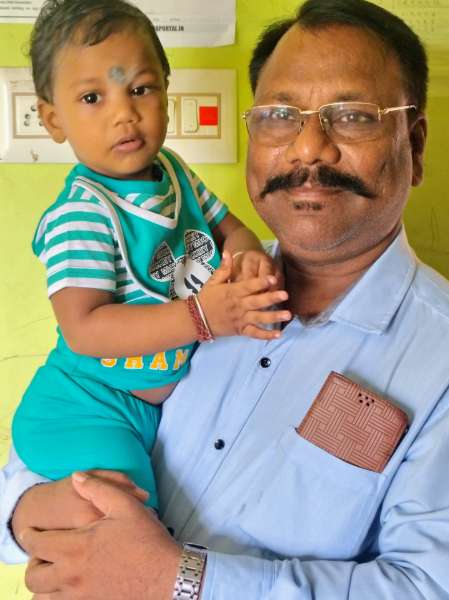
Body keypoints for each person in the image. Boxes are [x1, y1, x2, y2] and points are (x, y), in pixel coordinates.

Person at [2, 0, 449, 598]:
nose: (309, 148)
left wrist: (176, 579)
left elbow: (433, 588)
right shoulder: (194, 280)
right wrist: (24, 512)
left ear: (415, 144)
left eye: (353, 117)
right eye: (281, 115)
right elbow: (75, 414)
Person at [9, 0, 290, 510]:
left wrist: (249, 258)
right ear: (53, 119)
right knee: (130, 512)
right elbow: (84, 329)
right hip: (86, 407)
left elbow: (232, 230)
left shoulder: (175, 173)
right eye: (92, 97)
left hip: (147, 408)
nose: (124, 113)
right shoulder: (83, 215)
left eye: (140, 89)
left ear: (166, 88)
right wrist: (201, 317)